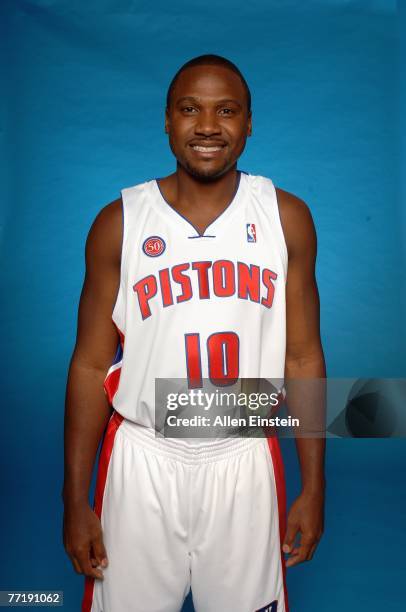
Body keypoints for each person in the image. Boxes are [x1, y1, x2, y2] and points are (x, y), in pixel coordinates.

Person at [62, 54, 326, 612]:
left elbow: (302, 357)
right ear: (167, 119)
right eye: (190, 109)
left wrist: (313, 485)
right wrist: (75, 498)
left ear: (249, 122)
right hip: (141, 457)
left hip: (243, 455)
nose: (208, 126)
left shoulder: (285, 217)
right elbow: (89, 365)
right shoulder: (121, 221)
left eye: (226, 111)